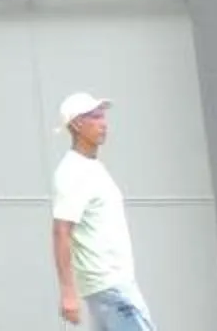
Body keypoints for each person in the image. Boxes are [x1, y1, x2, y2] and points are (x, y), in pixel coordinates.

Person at [52, 90, 157, 327]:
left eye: (103, 117)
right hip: (111, 287)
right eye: (95, 117)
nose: (104, 124)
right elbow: (61, 231)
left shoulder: (92, 167)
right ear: (77, 124)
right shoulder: (73, 172)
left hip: (111, 286)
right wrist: (68, 293)